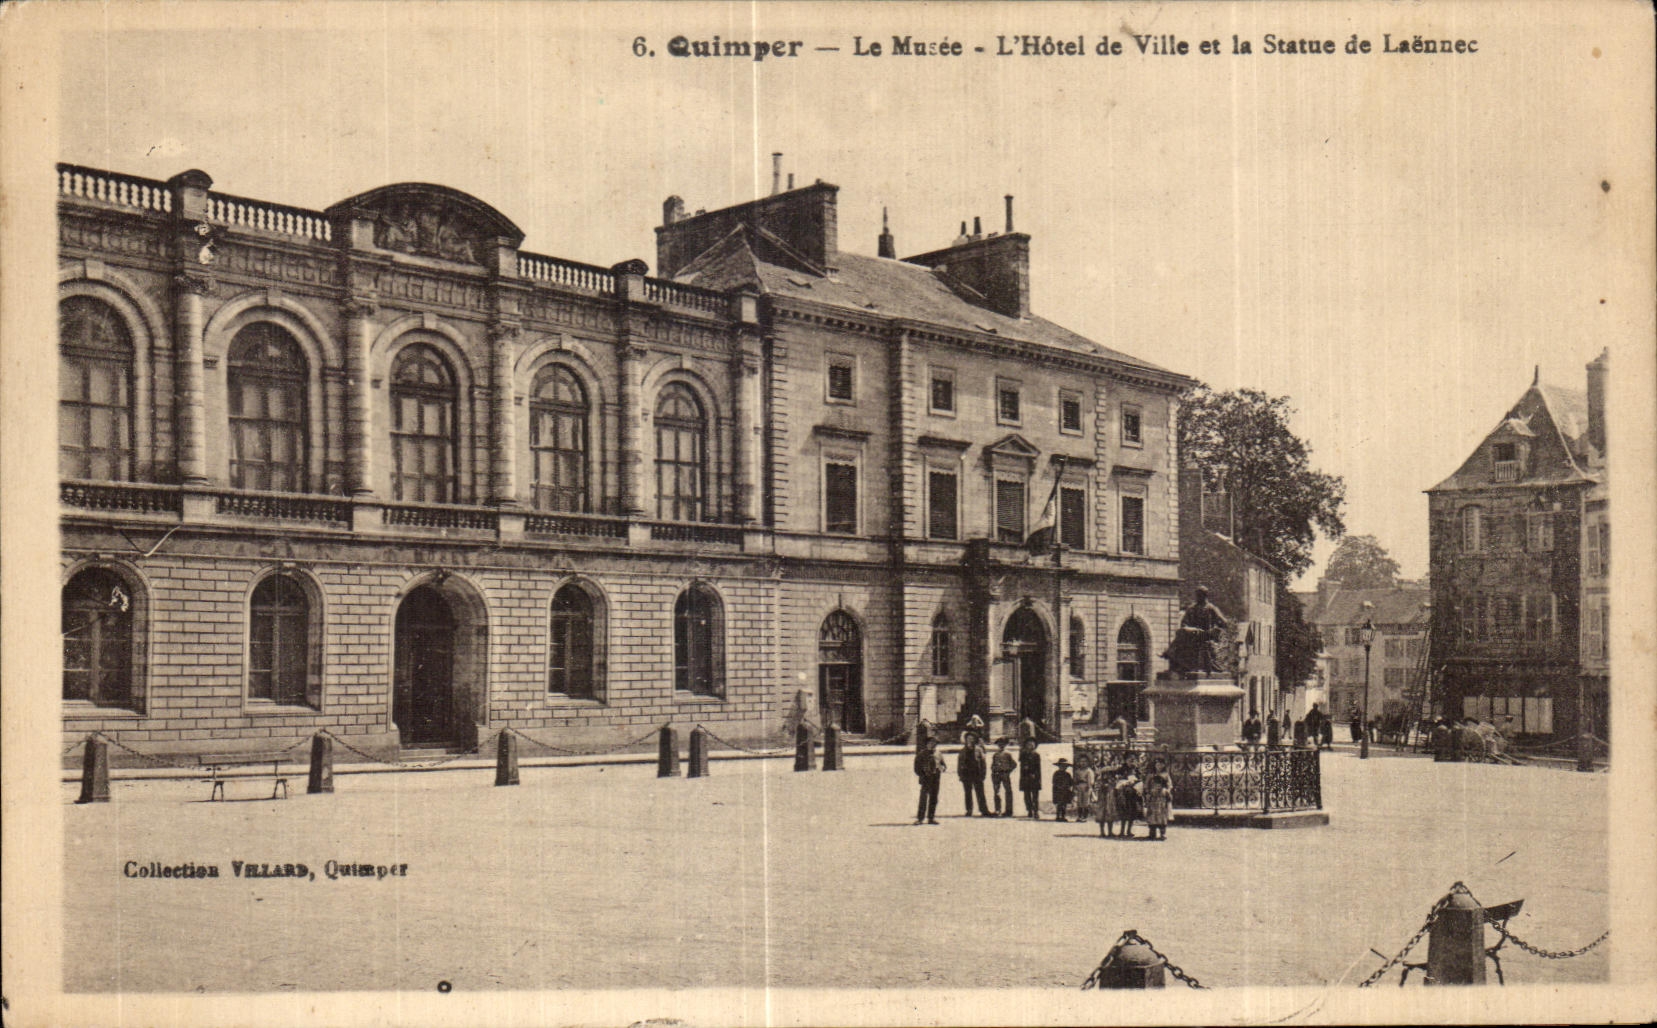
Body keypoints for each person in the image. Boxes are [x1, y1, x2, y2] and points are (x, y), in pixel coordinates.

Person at [1161, 585, 1232, 674]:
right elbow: (1184, 623)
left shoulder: (1211, 608)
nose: (1198, 597)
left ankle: (1168, 653)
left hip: (1206, 634)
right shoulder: (1192, 608)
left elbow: (1224, 622)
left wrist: (1216, 629)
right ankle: (1173, 657)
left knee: (1184, 634)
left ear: (1205, 596)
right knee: (1181, 632)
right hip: (1194, 632)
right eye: (1197, 595)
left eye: (1200, 595)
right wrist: (1189, 628)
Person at [957, 731, 990, 817]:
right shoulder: (962, 751)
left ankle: (983, 809)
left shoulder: (979, 749)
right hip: (966, 774)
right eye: (968, 738)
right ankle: (969, 810)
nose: (970, 740)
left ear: (975, 740)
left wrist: (983, 774)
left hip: (977, 773)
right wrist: (960, 774)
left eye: (972, 738)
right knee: (968, 793)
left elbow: (983, 762)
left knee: (980, 792)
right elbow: (959, 763)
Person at [914, 739, 943, 824]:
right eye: (930, 743)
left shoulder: (938, 754)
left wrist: (942, 768)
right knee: (923, 799)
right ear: (926, 744)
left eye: (934, 744)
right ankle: (920, 818)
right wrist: (923, 773)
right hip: (925, 779)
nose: (932, 745)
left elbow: (943, 765)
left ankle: (931, 818)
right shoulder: (921, 754)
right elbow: (916, 768)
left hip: (936, 779)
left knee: (934, 798)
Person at [1142, 759, 1173, 841]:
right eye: (1157, 764)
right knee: (1152, 814)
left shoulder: (1166, 775)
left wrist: (1167, 790)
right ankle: (1152, 833)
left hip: (1162, 797)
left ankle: (1163, 833)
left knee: (1162, 814)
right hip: (1153, 797)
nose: (1159, 766)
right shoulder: (1150, 775)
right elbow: (1146, 785)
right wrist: (1148, 793)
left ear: (1163, 765)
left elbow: (1169, 785)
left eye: (1161, 764)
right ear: (1155, 765)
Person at [1113, 762, 1142, 839]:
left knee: (1131, 816)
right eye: (1128, 771)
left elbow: (1139, 789)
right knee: (1123, 815)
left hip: (1132, 799)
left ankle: (1129, 830)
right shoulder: (1121, 781)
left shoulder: (1137, 780)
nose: (1131, 773)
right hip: (1124, 799)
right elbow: (1117, 789)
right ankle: (1122, 831)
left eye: (1133, 771)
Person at [990, 737, 1016, 816]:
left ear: (1005, 745)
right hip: (996, 774)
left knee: (1008, 791)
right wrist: (993, 770)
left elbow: (1014, 764)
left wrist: (1008, 771)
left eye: (1003, 744)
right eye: (999, 744)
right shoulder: (995, 754)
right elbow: (993, 764)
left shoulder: (1008, 754)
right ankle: (998, 809)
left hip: (1005, 774)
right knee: (997, 792)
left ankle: (1009, 810)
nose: (1001, 745)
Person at [1018, 739, 1042, 819]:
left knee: (1035, 795)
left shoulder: (1036, 755)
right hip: (1025, 777)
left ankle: (1036, 811)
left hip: (1034, 777)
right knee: (1027, 795)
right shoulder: (1023, 754)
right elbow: (1021, 765)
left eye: (1032, 744)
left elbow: (1038, 767)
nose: (1031, 746)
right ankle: (1029, 810)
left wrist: (1035, 775)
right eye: (1029, 744)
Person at [1096, 765, 1121, 838]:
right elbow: (1098, 789)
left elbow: (1115, 789)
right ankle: (1102, 832)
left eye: (1109, 773)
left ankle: (1110, 831)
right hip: (1103, 800)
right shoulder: (1100, 781)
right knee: (1102, 816)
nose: (1108, 775)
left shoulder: (1113, 781)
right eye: (1106, 773)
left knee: (1110, 816)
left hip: (1110, 800)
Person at [1072, 756, 1096, 823]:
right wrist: (1075, 787)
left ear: (1088, 763)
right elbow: (1075, 780)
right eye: (1081, 761)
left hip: (1086, 786)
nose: (1083, 763)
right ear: (1079, 762)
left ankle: (1085, 817)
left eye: (1085, 761)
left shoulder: (1089, 771)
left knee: (1086, 802)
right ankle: (1079, 816)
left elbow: (1091, 780)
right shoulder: (1077, 771)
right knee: (1079, 802)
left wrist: (1089, 786)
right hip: (1079, 786)